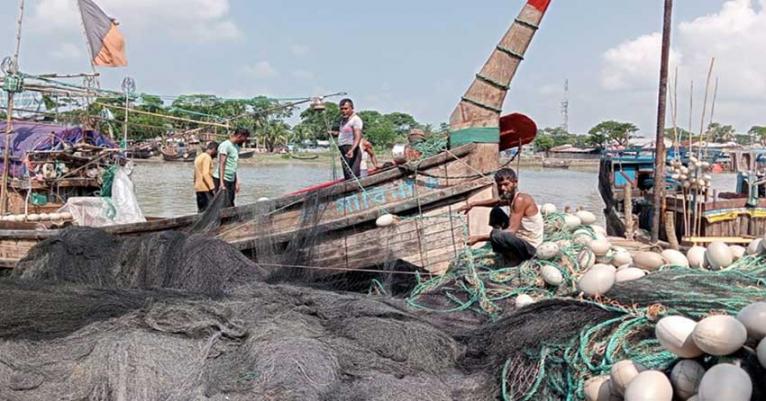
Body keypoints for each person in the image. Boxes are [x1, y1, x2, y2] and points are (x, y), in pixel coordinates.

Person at [458, 168, 543, 266]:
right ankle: (504, 250)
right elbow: (497, 202)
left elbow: (511, 231)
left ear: (515, 183)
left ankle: (513, 257)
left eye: (506, 184)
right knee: (496, 211)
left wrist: (479, 238)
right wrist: (473, 204)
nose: (502, 188)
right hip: (519, 237)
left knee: (497, 234)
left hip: (530, 246)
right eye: (499, 185)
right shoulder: (510, 197)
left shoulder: (520, 199)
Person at [213, 128, 250, 208]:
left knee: (230, 201)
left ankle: (229, 220)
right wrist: (221, 183)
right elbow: (222, 164)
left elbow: (234, 166)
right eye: (245, 138)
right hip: (222, 178)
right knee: (222, 203)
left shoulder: (236, 147)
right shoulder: (225, 145)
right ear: (240, 136)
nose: (245, 140)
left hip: (231, 179)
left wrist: (236, 181)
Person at [333, 98, 363, 179]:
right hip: (343, 149)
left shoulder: (356, 120)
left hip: (351, 149)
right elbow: (343, 134)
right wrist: (333, 133)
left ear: (351, 108)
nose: (343, 111)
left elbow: (358, 136)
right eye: (341, 109)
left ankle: (358, 191)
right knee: (347, 176)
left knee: (353, 175)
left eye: (346, 108)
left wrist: (352, 150)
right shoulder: (344, 121)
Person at [193, 141, 218, 212]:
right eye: (216, 151)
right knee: (210, 211)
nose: (216, 154)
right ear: (213, 149)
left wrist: (195, 185)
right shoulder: (207, 157)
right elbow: (205, 174)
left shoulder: (199, 157)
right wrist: (212, 188)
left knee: (201, 210)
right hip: (205, 188)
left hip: (198, 188)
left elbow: (195, 174)